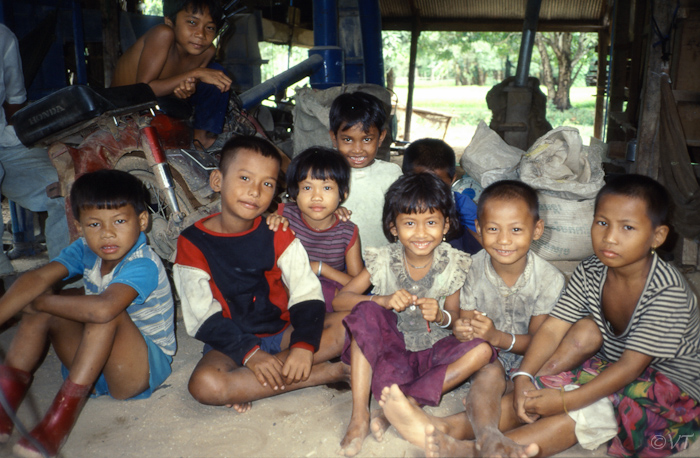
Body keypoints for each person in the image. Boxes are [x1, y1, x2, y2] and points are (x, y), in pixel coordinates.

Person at [423, 174, 700, 458]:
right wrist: (524, 376)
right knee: (552, 372)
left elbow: (631, 367)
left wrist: (569, 399)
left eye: (628, 227)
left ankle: (474, 451)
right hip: (607, 366)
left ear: (657, 236)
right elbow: (554, 329)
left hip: (669, 392)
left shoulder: (667, 291)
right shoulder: (591, 270)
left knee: (583, 409)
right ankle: (442, 427)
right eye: (602, 223)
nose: (610, 237)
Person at [379, 180, 566, 456]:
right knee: (489, 370)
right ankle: (488, 436)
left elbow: (542, 344)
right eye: (492, 229)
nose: (503, 240)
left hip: (533, 364)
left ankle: (458, 431)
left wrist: (497, 337)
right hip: (485, 360)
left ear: (537, 229)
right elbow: (463, 327)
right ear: (478, 229)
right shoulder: (470, 268)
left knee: (528, 395)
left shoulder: (549, 279)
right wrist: (465, 330)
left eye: (516, 230)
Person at [0, 169, 176, 458]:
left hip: (138, 371)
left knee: (100, 311)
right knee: (46, 301)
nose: (107, 233)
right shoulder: (84, 249)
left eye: (119, 221)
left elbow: (105, 308)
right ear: (80, 226)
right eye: (94, 224)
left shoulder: (143, 262)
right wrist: (34, 302)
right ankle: (4, 405)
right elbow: (35, 279)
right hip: (97, 368)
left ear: (142, 221)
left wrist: (42, 302)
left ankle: (59, 421)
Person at [172, 136, 348, 414]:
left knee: (351, 323)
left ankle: (252, 382)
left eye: (267, 184)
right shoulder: (192, 243)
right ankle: (324, 373)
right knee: (206, 386)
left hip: (281, 332)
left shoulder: (278, 233)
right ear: (217, 181)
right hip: (231, 342)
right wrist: (251, 355)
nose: (255, 191)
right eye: (244, 178)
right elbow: (200, 316)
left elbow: (306, 291)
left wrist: (303, 346)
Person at [333, 173, 496, 457]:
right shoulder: (384, 260)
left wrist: (441, 316)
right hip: (391, 352)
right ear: (393, 227)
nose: (421, 233)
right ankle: (359, 416)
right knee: (366, 311)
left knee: (482, 350)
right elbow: (340, 301)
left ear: (446, 225)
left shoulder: (454, 263)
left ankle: (406, 403)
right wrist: (382, 299)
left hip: (434, 352)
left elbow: (456, 319)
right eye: (409, 223)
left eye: (431, 222)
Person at [111, 0, 232, 150]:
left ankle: (201, 140)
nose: (201, 34)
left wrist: (187, 90)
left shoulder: (207, 51)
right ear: (170, 21)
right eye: (192, 22)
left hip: (162, 101)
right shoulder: (163, 34)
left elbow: (187, 86)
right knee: (208, 73)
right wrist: (197, 73)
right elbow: (142, 90)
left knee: (216, 74)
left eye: (210, 27)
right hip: (124, 104)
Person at [0, 23, 70, 281]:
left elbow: (14, 102)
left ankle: (65, 278)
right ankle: (2, 278)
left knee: (65, 189)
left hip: (5, 143)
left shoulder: (3, 36)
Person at [277, 146, 363, 311]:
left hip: (329, 297)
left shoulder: (347, 231)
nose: (316, 197)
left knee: (329, 291)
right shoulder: (283, 216)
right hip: (287, 291)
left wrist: (320, 268)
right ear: (294, 193)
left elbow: (358, 285)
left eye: (327, 188)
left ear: (342, 194)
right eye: (307, 188)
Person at [329, 91, 402, 251]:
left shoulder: (391, 175)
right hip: (338, 263)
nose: (357, 150)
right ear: (334, 138)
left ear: (381, 137)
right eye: (347, 139)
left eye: (367, 139)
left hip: (383, 260)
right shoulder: (324, 174)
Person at [401, 138, 481, 254]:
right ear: (405, 178)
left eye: (438, 183)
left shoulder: (462, 204)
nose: (429, 189)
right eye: (421, 181)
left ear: (452, 179)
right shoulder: (398, 203)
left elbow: (482, 239)